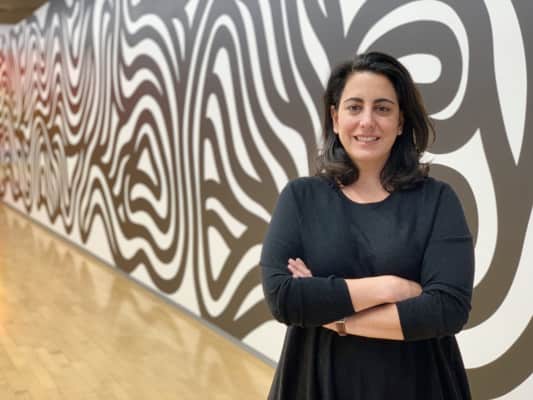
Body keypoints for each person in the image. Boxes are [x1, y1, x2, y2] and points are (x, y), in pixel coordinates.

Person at [260, 51, 475, 399]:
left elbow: (447, 310)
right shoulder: (301, 197)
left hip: (417, 383)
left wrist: (336, 319)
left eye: (383, 108)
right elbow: (284, 298)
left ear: (401, 121)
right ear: (335, 118)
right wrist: (391, 288)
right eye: (355, 107)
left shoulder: (438, 200)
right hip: (316, 381)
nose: (367, 121)